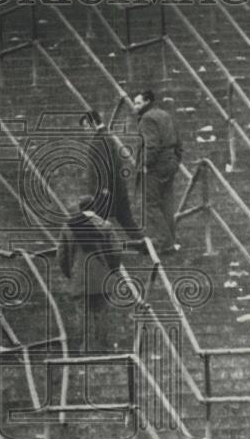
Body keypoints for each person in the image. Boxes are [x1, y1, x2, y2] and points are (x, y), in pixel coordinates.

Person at [57, 194, 123, 351]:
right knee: (102, 312)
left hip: (79, 277)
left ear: (80, 209)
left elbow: (62, 256)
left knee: (82, 313)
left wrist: (71, 273)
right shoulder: (106, 226)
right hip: (102, 277)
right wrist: (113, 269)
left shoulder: (68, 227)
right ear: (94, 208)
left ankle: (85, 346)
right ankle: (102, 345)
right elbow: (116, 251)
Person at [132, 90, 182, 255]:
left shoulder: (147, 118)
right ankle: (171, 241)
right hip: (170, 162)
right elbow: (178, 139)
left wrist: (145, 165)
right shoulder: (165, 115)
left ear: (147, 102)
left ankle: (164, 241)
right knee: (166, 203)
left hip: (155, 166)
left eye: (138, 103)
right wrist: (176, 160)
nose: (135, 106)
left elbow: (151, 145)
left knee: (151, 204)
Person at [80, 109, 141, 238]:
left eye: (86, 126)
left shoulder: (100, 140)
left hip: (106, 191)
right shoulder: (106, 137)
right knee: (126, 220)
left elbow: (104, 166)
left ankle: (104, 252)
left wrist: (103, 188)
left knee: (99, 221)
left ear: (94, 123)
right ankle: (144, 245)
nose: (85, 130)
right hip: (116, 189)